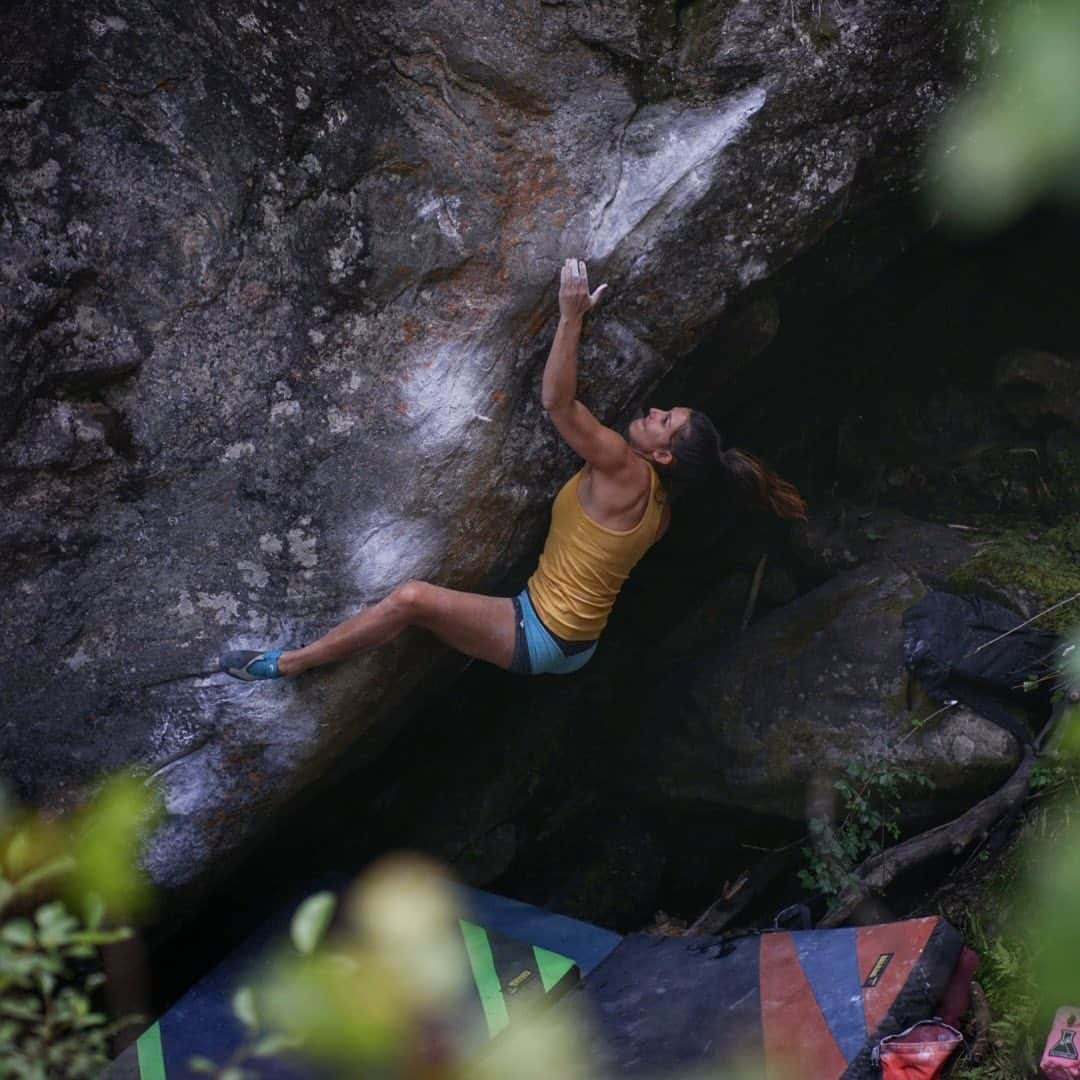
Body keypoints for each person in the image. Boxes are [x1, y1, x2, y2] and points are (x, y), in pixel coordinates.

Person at [221, 258, 806, 681]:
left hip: (543, 633)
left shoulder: (626, 470)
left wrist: (570, 316)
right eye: (664, 410)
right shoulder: (659, 510)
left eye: (664, 422)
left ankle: (289, 664)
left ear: (663, 456)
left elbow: (558, 404)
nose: (654, 412)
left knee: (410, 599)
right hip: (574, 641)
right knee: (421, 613)